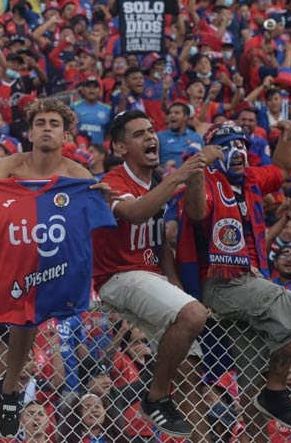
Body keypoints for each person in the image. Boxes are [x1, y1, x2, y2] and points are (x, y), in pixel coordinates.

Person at [0, 98, 116, 438]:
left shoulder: (78, 175)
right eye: (40, 123)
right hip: (8, 270)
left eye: (54, 124)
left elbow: (101, 211)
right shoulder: (11, 164)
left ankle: (11, 391)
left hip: (51, 271)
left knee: (32, 322)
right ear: (29, 131)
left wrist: (104, 198)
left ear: (66, 133)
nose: (46, 129)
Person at [177, 120, 291, 436]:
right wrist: (196, 170)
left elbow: (281, 168)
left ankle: (262, 409)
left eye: (241, 145)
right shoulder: (207, 181)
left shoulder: (250, 180)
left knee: (252, 378)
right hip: (221, 284)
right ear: (211, 153)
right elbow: (195, 212)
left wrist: (286, 137)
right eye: (226, 146)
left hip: (252, 284)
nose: (237, 151)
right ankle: (276, 391)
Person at [91, 109, 209, 437]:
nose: (151, 137)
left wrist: (176, 287)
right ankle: (155, 397)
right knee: (194, 314)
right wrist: (180, 175)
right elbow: (138, 214)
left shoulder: (156, 181)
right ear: (119, 148)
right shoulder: (114, 181)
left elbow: (160, 245)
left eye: (151, 130)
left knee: (189, 370)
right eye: (139, 133)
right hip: (118, 276)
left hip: (150, 276)